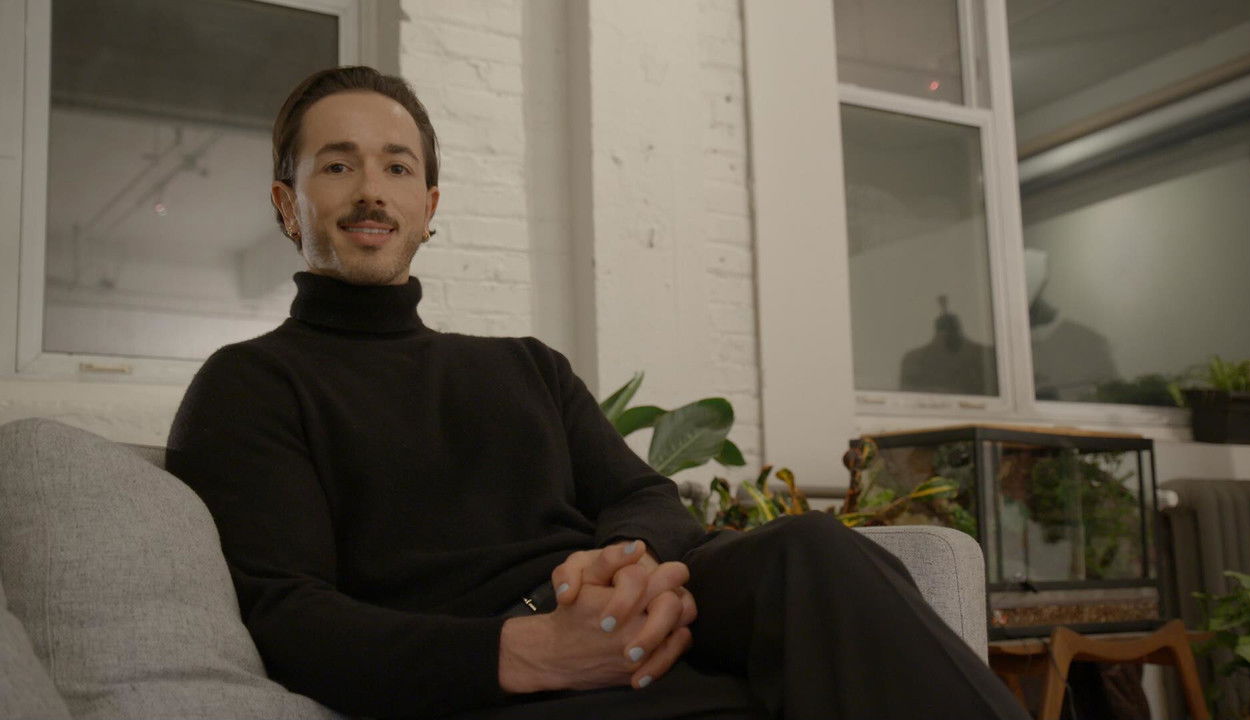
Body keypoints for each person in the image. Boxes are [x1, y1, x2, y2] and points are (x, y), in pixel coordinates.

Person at [166, 66, 1028, 720]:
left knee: (811, 549)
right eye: (336, 166)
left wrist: (623, 564)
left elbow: (646, 495)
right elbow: (289, 616)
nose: (370, 192)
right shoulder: (249, 385)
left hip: (632, 626)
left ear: (428, 205)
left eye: (396, 167)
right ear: (287, 204)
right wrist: (532, 649)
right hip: (490, 676)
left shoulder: (526, 366)